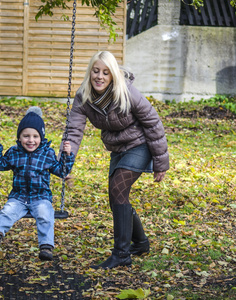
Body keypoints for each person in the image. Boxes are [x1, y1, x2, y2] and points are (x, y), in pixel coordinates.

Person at [64, 51, 169, 269]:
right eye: (96, 71)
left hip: (140, 145)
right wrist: (64, 163)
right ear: (90, 72)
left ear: (113, 75)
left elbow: (153, 123)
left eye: (105, 72)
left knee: (117, 190)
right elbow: (73, 131)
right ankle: (140, 243)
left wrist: (161, 162)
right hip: (117, 148)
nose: (99, 77)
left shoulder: (127, 91)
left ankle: (121, 254)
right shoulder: (84, 96)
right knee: (116, 199)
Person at [0, 106, 75, 261]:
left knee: (46, 215)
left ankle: (46, 247)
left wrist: (67, 155)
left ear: (41, 137)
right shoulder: (14, 152)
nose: (31, 140)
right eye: (26, 136)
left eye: (35, 136)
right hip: (19, 197)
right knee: (6, 212)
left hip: (41, 197)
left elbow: (61, 171)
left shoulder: (47, 154)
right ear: (19, 137)